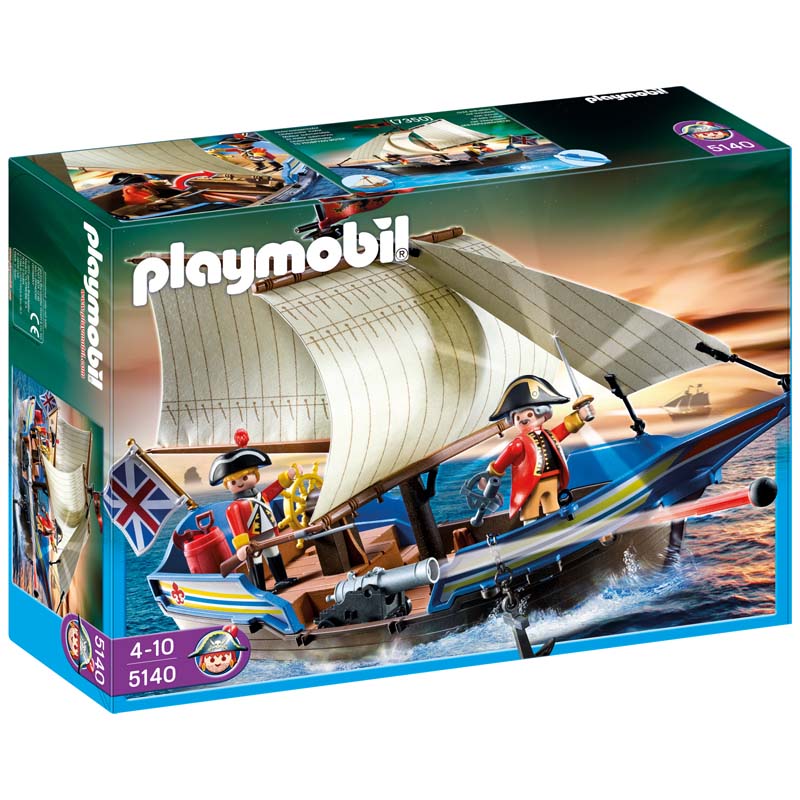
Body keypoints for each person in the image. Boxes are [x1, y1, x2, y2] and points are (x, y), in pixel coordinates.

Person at [485, 375, 595, 522]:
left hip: (553, 482)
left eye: (530, 414)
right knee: (530, 513)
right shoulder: (518, 444)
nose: (523, 419)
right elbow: (501, 463)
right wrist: (489, 477)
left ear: (543, 414)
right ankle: (530, 528)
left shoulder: (550, 435)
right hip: (530, 486)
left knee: (553, 509)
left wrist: (580, 416)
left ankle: (555, 524)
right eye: (517, 417)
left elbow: (565, 428)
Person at [209, 429, 299, 593]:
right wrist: (242, 546)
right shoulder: (235, 507)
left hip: (268, 534)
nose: (240, 483)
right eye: (233, 482)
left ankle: (281, 580)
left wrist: (288, 476)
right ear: (228, 485)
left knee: (274, 554)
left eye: (245, 478)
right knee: (255, 562)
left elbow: (275, 488)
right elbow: (238, 528)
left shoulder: (261, 496)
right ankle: (259, 589)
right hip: (252, 541)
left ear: (255, 476)